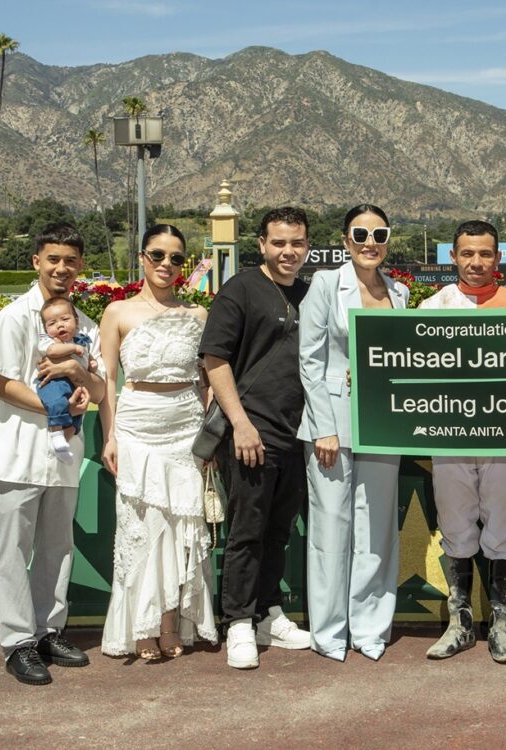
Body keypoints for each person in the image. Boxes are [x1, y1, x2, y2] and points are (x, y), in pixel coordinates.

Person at [0, 223, 105, 685]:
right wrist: (58, 408)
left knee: (57, 547)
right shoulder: (15, 317)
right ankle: (18, 644)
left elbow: (99, 387)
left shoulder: (84, 326)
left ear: (80, 266)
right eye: (53, 259)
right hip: (15, 452)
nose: (61, 268)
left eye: (70, 260)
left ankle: (49, 630)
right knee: (13, 550)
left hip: (64, 456)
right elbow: (2, 383)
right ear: (37, 262)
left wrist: (79, 388)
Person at [98, 224, 218, 660]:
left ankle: (171, 623)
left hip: (185, 426)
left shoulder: (199, 315)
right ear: (142, 258)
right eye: (158, 255)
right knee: (142, 527)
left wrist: (209, 441)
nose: (167, 264)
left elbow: (206, 382)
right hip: (135, 427)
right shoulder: (117, 313)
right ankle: (141, 626)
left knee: (183, 529)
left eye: (176, 258)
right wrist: (110, 436)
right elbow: (107, 379)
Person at [200, 207, 313, 669]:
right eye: (279, 242)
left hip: (296, 432)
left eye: (297, 242)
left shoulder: (310, 292)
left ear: (307, 245)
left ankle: (267, 612)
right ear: (262, 245)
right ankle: (239, 623)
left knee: (278, 532)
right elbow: (214, 358)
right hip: (250, 433)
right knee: (247, 532)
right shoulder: (240, 289)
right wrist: (241, 423)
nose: (289, 251)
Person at [298, 203, 409, 662]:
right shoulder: (325, 284)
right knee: (331, 528)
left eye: (379, 234)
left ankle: (370, 629)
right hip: (331, 427)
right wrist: (324, 427)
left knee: (377, 529)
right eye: (360, 234)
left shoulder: (400, 293)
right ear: (345, 240)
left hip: (384, 424)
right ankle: (329, 632)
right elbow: (310, 359)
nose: (370, 242)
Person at [419, 220, 506, 664]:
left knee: (502, 530)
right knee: (456, 529)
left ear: (498, 258)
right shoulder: (434, 306)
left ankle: (500, 625)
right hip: (449, 436)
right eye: (468, 254)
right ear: (453, 257)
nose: (476, 262)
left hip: (504, 438)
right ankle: (460, 625)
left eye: (485, 254)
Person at [36, 296, 97, 463]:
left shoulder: (81, 339)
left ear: (76, 321)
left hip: (74, 384)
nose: (60, 325)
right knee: (57, 403)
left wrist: (91, 362)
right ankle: (56, 433)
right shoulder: (48, 341)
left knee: (77, 416)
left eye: (65, 319)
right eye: (52, 323)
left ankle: (63, 445)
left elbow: (86, 356)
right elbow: (52, 352)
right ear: (46, 329)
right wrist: (73, 348)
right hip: (54, 382)